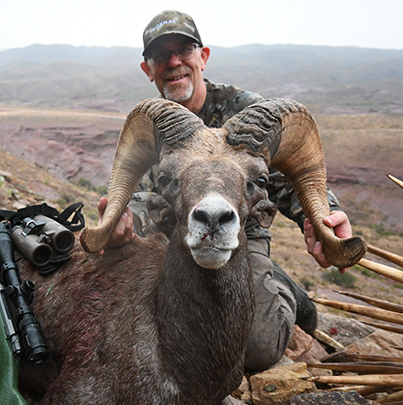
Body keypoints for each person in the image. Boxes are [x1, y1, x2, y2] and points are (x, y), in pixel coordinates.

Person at [97, 10, 354, 371]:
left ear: (202, 56)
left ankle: (282, 289)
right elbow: (138, 196)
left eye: (183, 50)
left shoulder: (252, 114)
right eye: (160, 55)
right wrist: (121, 221)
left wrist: (324, 217)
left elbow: (297, 178)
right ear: (148, 69)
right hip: (173, 236)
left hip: (241, 232)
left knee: (255, 350)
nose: (173, 63)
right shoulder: (152, 128)